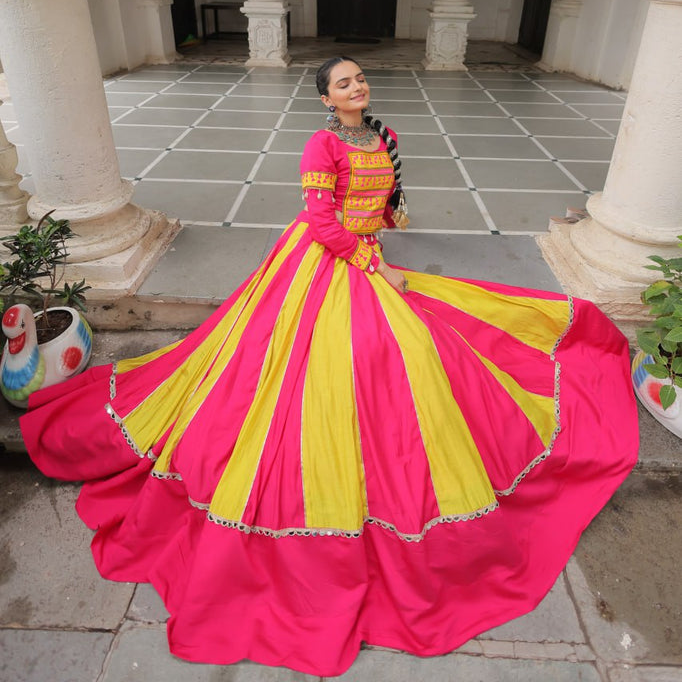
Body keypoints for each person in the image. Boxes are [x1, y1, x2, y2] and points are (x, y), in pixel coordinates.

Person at [20, 57, 639, 677]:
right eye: (342, 83)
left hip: (366, 251)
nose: (355, 87)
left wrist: (387, 222)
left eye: (359, 79)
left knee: (419, 351)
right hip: (324, 261)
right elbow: (321, 224)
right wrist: (376, 265)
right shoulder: (321, 144)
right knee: (317, 370)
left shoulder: (382, 135)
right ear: (324, 98)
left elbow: (391, 202)